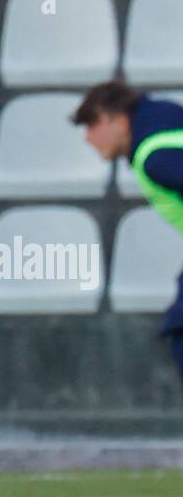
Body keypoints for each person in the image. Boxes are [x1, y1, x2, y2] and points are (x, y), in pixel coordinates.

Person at [74, 80, 183, 386]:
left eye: (92, 124)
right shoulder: (169, 120)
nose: (87, 137)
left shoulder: (156, 157)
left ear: (117, 119)